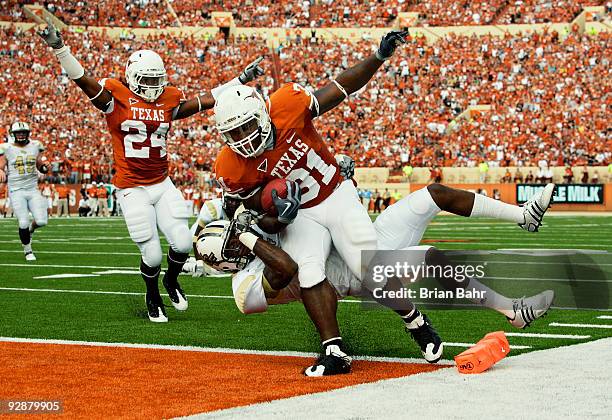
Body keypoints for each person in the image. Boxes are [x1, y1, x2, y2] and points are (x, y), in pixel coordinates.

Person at [192, 181, 555, 375]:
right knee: (430, 258)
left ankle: (525, 215)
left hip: (363, 242)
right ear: (226, 263)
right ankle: (511, 311)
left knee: (435, 194)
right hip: (351, 275)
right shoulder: (243, 290)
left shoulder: (252, 238)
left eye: (234, 238)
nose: (239, 244)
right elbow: (285, 268)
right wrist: (248, 235)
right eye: (232, 246)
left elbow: (281, 217)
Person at [39, 18, 265, 322]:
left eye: (156, 80)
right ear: (132, 78)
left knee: (184, 243)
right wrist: (60, 48)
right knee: (153, 254)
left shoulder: (168, 99)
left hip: (161, 182)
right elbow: (84, 80)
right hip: (132, 187)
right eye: (146, 80)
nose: (152, 87)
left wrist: (239, 80)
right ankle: (152, 294)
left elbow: (204, 101)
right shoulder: (115, 97)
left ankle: (171, 280)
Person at [213, 31, 408, 355]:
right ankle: (333, 348)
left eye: (247, 126)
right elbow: (253, 214)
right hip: (302, 213)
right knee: (309, 270)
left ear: (262, 113)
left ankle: (415, 322)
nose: (244, 138)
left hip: (334, 193)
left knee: (368, 266)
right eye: (234, 132)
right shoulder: (231, 166)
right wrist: (277, 215)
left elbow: (340, 89)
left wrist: (378, 57)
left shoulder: (288, 105)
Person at [0, 122, 50, 261]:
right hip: (16, 190)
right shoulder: (7, 148)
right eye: (18, 133)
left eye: (23, 132)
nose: (21, 135)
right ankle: (28, 251)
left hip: (32, 188)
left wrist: (44, 167)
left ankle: (30, 231)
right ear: (13, 134)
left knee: (41, 221)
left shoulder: (35, 146)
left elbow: (40, 164)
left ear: (28, 133)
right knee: (23, 222)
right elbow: (1, 165)